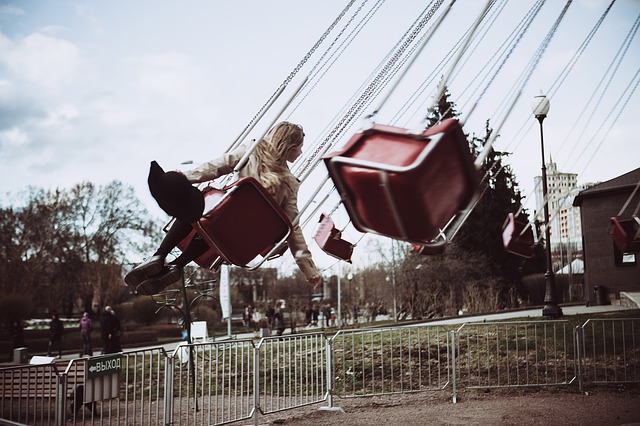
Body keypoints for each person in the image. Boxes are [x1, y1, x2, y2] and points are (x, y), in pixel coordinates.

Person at [124, 121, 322, 295]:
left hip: (220, 215)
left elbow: (218, 166)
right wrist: (309, 270)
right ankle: (177, 265)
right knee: (220, 230)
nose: (301, 152)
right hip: (240, 237)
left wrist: (186, 177)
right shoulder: (289, 184)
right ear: (289, 147)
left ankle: (159, 255)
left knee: (198, 210)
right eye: (299, 148)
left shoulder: (253, 150)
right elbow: (292, 228)